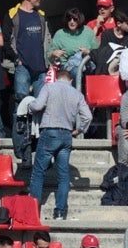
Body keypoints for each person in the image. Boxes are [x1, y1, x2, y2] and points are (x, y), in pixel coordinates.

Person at [27, 68, 92, 219]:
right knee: (63, 176)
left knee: (38, 173)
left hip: (49, 132)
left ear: (56, 78)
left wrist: (29, 106)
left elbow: (37, 106)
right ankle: (60, 212)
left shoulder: (49, 87)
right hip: (67, 134)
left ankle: (33, 212)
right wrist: (80, 130)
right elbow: (88, 116)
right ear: (71, 80)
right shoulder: (77, 93)